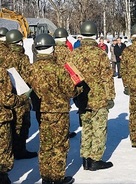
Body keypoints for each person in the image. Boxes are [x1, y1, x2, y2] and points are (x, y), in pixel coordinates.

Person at [28, 33, 78, 184]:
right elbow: (71, 91)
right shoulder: (59, 70)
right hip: (59, 112)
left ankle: (46, 176)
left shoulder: (31, 69)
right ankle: (57, 177)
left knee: (45, 145)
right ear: (52, 49)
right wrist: (79, 89)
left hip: (42, 112)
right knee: (59, 145)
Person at [71, 21, 115, 171]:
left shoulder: (74, 54)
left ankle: (85, 159)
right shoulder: (101, 54)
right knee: (99, 129)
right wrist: (110, 97)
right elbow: (107, 78)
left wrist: (75, 97)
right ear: (94, 35)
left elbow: (70, 77)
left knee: (86, 128)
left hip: (82, 99)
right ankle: (95, 159)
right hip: (99, 98)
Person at [5, 30, 38, 160]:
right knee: (22, 123)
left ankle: (9, 150)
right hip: (21, 95)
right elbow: (27, 76)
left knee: (10, 124)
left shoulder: (3, 56)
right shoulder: (22, 57)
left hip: (6, 96)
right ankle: (20, 150)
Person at [0, 63, 32, 184]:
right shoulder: (1, 72)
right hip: (1, 119)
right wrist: (24, 97)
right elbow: (7, 99)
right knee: (3, 153)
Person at [54, 28, 77, 138]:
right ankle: (64, 132)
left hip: (51, 84)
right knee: (64, 110)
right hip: (64, 84)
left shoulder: (51, 50)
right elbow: (72, 68)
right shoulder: (67, 51)